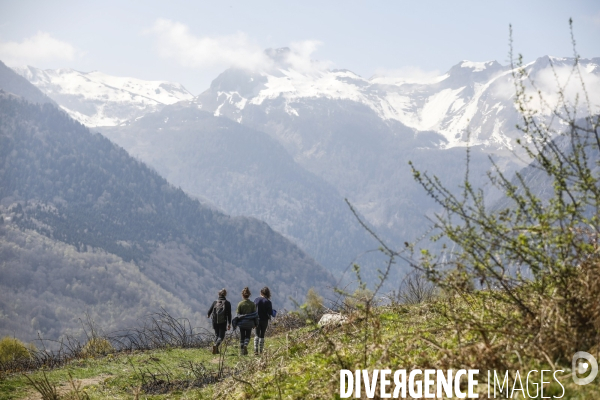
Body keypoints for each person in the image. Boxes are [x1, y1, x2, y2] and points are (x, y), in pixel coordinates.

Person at [207, 288, 231, 354]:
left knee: (217, 335)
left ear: (218, 294)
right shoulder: (227, 303)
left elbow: (209, 312)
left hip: (215, 321)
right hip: (223, 322)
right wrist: (229, 323)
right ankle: (216, 346)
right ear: (225, 294)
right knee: (221, 336)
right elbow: (229, 314)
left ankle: (216, 350)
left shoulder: (215, 302)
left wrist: (209, 315)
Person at [233, 287, 257, 355]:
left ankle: (241, 351)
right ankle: (246, 345)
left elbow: (237, 314)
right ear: (249, 295)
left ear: (242, 295)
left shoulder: (240, 304)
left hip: (242, 323)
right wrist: (256, 324)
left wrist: (235, 323)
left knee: (242, 336)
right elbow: (255, 315)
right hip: (250, 323)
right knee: (248, 336)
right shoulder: (252, 304)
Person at [253, 286, 273, 355]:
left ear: (261, 292)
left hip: (257, 319)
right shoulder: (268, 302)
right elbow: (270, 312)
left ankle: (255, 350)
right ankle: (261, 350)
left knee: (256, 334)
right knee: (262, 335)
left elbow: (253, 310)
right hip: (264, 320)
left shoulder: (256, 300)